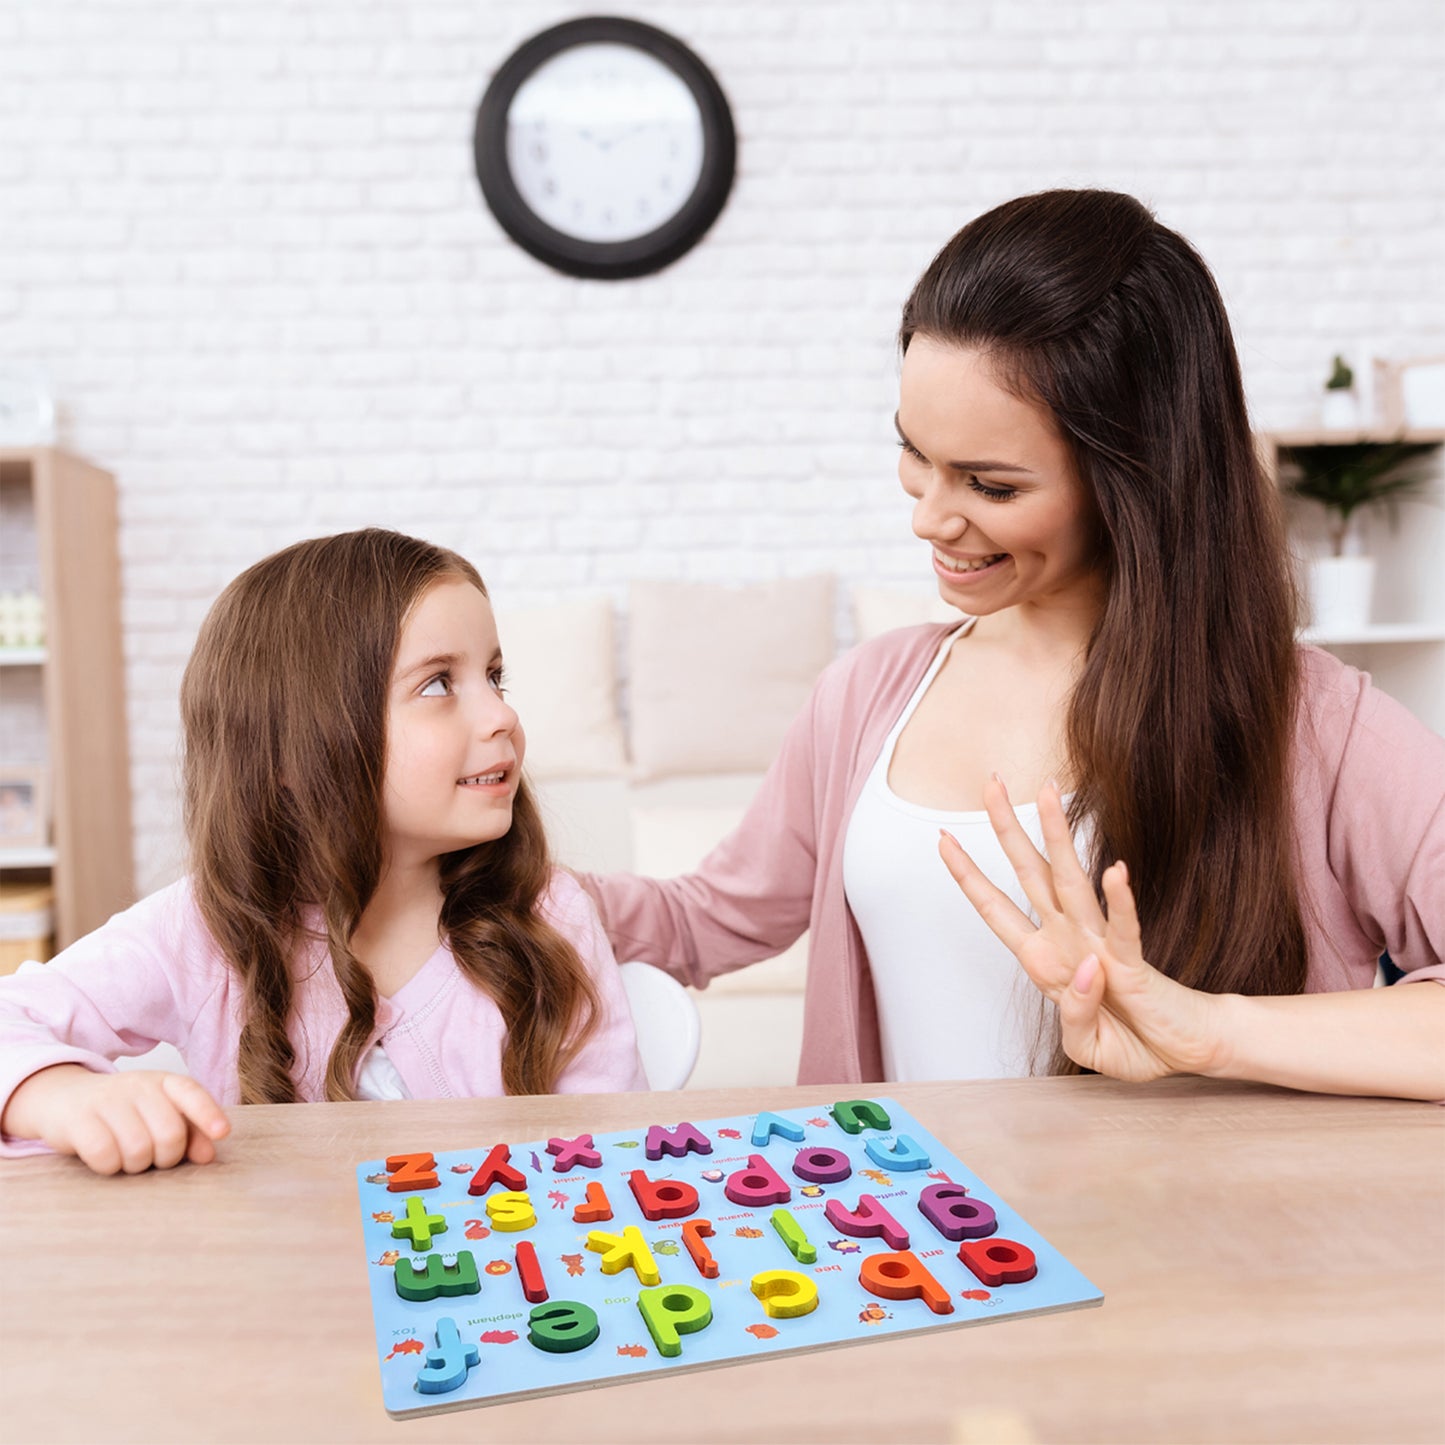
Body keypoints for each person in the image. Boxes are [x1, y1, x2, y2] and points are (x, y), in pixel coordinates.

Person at [580, 189, 1445, 1102]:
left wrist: (1212, 1029)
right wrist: (500, 885)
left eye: (988, 484)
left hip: (1189, 1243)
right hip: (909, 1245)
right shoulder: (869, 693)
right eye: (914, 452)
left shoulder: (1317, 728)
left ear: (1135, 479)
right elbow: (708, 918)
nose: (928, 516)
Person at [0, 529, 645, 1173]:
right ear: (295, 753)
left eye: (495, 678)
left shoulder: (551, 914)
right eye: (440, 685)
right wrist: (60, 1094)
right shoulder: (205, 931)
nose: (501, 715)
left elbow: (612, 1160)